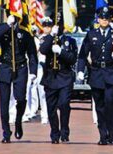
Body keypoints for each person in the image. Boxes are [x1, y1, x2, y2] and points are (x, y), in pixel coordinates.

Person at [77, 6, 113, 145]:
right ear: (98, 19)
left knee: (110, 103)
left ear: (110, 19)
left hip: (110, 73)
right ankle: (102, 135)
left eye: (106, 18)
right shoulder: (91, 34)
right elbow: (82, 55)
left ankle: (111, 134)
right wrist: (80, 71)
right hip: (96, 73)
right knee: (99, 106)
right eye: (102, 18)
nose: (104, 20)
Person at [0, 8, 38, 143]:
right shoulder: (3, 30)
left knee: (21, 99)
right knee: (4, 102)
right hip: (5, 67)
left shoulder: (25, 33)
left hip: (21, 68)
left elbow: (32, 54)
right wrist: (7, 25)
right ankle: (6, 132)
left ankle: (18, 121)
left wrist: (33, 72)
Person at [39, 12, 78, 144]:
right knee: (51, 108)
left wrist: (61, 52)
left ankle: (64, 130)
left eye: (59, 24)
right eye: (54, 24)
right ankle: (54, 132)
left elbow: (73, 59)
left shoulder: (69, 41)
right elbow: (43, 50)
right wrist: (51, 36)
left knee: (64, 104)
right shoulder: (46, 38)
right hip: (51, 76)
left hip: (65, 76)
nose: (57, 26)